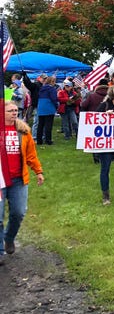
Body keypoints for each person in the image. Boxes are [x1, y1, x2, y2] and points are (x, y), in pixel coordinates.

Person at [1, 102, 45, 259]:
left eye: (15, 110)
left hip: (18, 180)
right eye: (10, 111)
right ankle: (0, 251)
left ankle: (9, 238)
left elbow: (31, 155)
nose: (14, 113)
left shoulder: (23, 131)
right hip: (0, 181)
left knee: (18, 212)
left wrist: (38, 171)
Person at [35, 76, 59, 146]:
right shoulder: (52, 89)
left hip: (41, 106)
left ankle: (39, 140)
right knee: (48, 125)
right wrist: (56, 106)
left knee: (40, 125)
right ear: (52, 82)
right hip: (49, 107)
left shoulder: (41, 88)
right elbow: (54, 99)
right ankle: (48, 140)